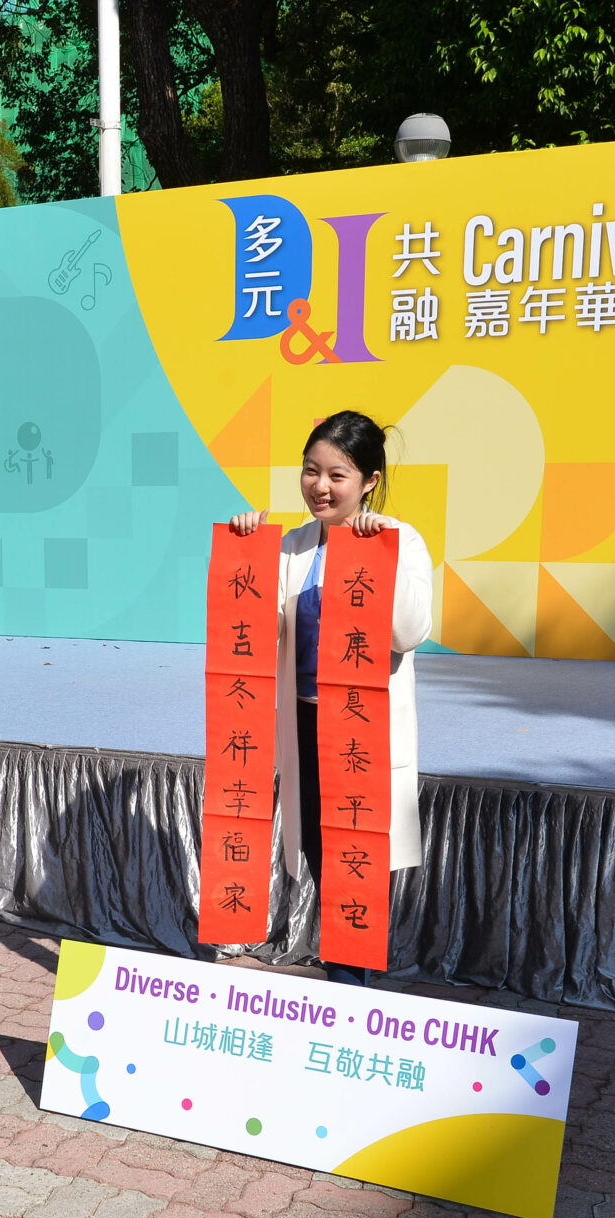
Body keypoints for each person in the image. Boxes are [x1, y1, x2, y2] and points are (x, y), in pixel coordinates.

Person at [227, 409, 435, 982]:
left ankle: (352, 990)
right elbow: (252, 628)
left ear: (369, 480)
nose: (320, 486)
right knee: (322, 855)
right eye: (310, 471)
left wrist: (374, 559)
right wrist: (244, 552)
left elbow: (409, 631)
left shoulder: (401, 539)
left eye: (337, 475)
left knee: (358, 864)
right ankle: (344, 983)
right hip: (306, 723)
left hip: (362, 731)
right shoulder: (290, 546)